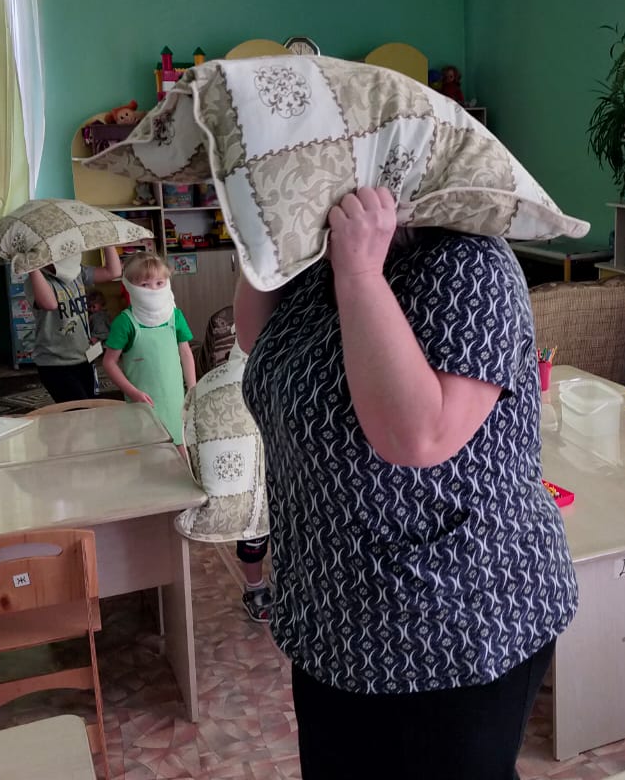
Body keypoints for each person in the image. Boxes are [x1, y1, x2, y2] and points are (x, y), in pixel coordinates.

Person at [235, 186, 577, 780]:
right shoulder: (321, 253)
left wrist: (361, 275)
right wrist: (266, 221)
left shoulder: (472, 264)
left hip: (452, 618)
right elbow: (255, 338)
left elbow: (418, 437)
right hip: (333, 607)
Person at [101, 253, 197, 452]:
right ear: (130, 286)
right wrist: (132, 392)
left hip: (175, 399)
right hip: (142, 402)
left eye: (159, 283)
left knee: (180, 448)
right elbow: (109, 363)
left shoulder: (175, 316)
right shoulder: (125, 322)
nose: (153, 289)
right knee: (148, 452)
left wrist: (193, 389)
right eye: (145, 284)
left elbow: (186, 353)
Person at [26, 246, 121, 403]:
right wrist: (32, 266)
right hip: (55, 363)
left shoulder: (77, 272)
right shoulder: (37, 280)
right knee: (78, 408)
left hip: (84, 357)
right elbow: (49, 303)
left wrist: (107, 242)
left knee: (91, 407)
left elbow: (114, 272)